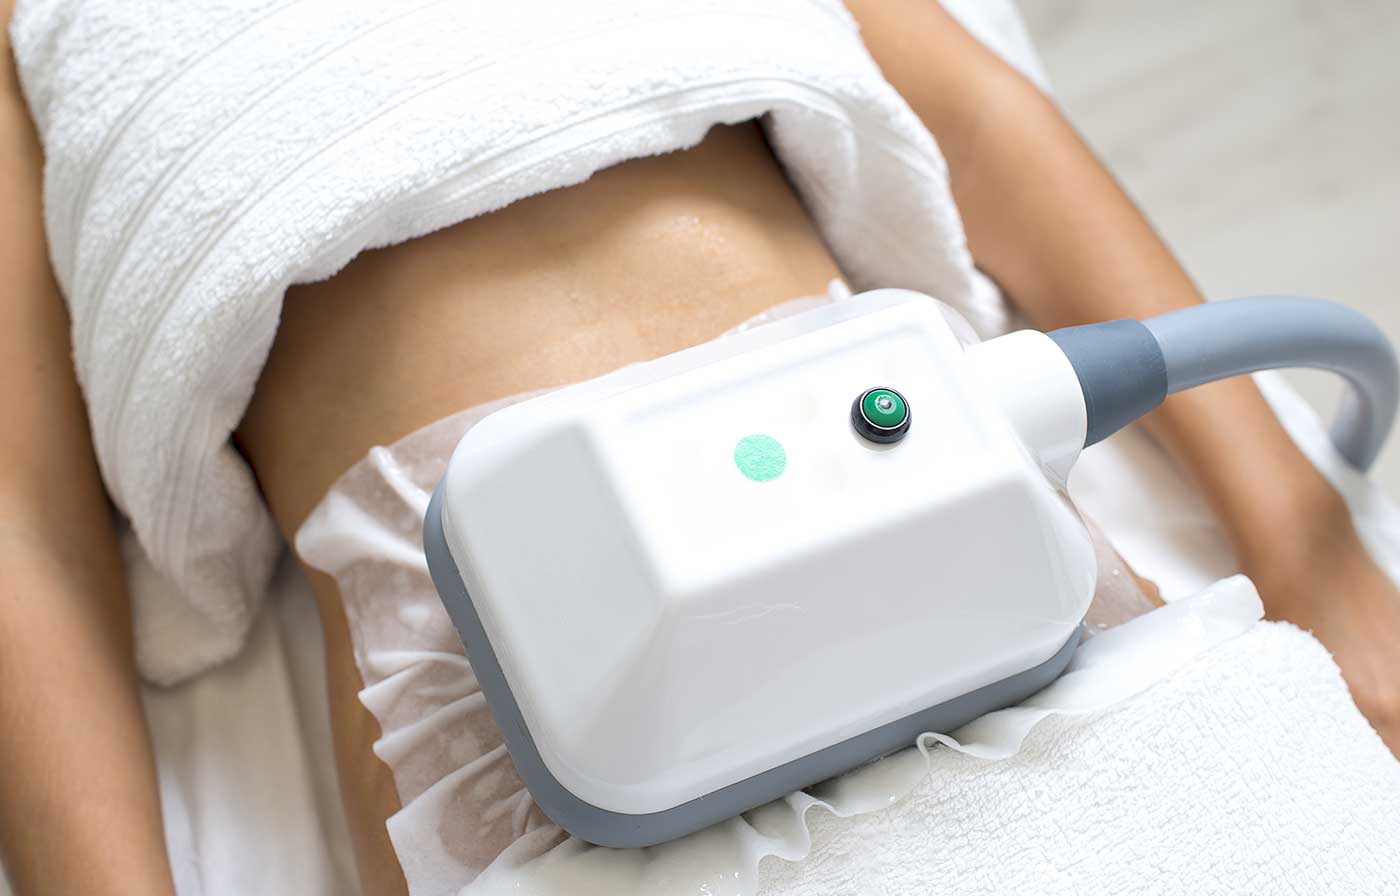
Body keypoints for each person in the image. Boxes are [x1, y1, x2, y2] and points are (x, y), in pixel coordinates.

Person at [1, 1, 1396, 893]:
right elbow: (29, 529)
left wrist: (1317, 566)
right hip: (490, 676)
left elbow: (971, 120)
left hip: (931, 522)